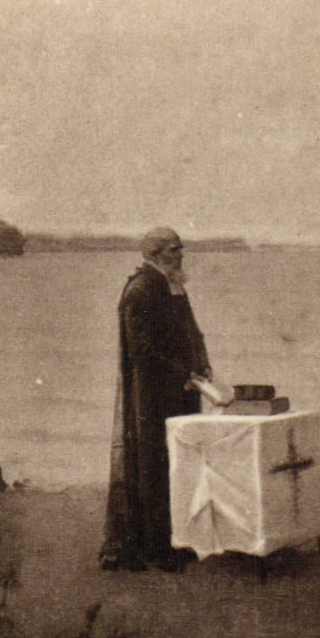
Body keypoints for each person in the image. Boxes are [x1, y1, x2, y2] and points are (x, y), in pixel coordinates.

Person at [100, 227, 215, 573]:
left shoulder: (174, 285)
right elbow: (141, 351)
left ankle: (177, 540)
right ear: (153, 254)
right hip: (152, 396)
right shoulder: (140, 289)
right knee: (153, 467)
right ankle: (155, 547)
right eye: (173, 250)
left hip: (182, 391)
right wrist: (183, 373)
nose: (180, 255)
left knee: (180, 464)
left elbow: (192, 332)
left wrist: (203, 364)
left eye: (180, 249)